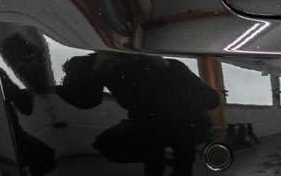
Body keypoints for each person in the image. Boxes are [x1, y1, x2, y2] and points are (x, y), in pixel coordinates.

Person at [58, 52, 220, 176]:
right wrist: (96, 71)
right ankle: (162, 160)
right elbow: (84, 101)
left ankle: (178, 164)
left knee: (179, 136)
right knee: (109, 144)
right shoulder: (99, 65)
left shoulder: (168, 67)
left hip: (183, 125)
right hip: (147, 125)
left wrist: (169, 71)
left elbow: (211, 100)